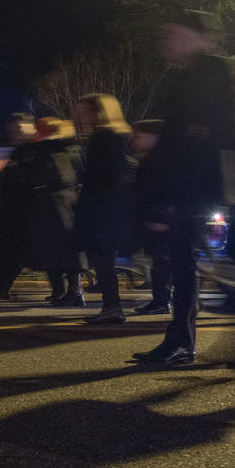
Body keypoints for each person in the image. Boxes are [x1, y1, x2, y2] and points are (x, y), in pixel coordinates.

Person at [133, 11, 232, 364]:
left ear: (198, 36)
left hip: (199, 186)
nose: (166, 41)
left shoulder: (214, 72)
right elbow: (173, 137)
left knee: (189, 262)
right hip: (181, 187)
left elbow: (211, 133)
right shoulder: (175, 79)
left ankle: (183, 341)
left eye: (173, 33)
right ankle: (180, 341)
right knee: (183, 263)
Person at [74, 95, 133, 323]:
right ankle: (112, 305)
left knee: (102, 258)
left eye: (84, 111)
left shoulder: (103, 137)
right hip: (110, 206)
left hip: (101, 207)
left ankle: (112, 306)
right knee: (103, 257)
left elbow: (99, 176)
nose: (80, 116)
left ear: (99, 112)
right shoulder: (117, 136)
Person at [0, 114, 40, 299]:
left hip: (24, 208)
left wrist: (8, 168)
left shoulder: (33, 149)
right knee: (7, 250)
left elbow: (28, 176)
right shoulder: (20, 150)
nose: (14, 132)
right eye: (12, 129)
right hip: (12, 208)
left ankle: (3, 286)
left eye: (18, 128)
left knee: (15, 252)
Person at [32, 118, 85, 307]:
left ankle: (72, 292)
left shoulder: (56, 150)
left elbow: (60, 177)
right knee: (62, 251)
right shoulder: (70, 149)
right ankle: (66, 291)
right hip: (65, 205)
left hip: (59, 206)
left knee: (62, 251)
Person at [129, 119, 172, 315]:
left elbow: (161, 192)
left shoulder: (160, 161)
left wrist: (160, 218)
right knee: (160, 262)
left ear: (154, 136)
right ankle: (162, 300)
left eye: (139, 136)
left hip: (160, 220)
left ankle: (162, 301)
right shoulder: (151, 159)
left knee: (162, 263)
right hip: (155, 219)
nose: (134, 140)